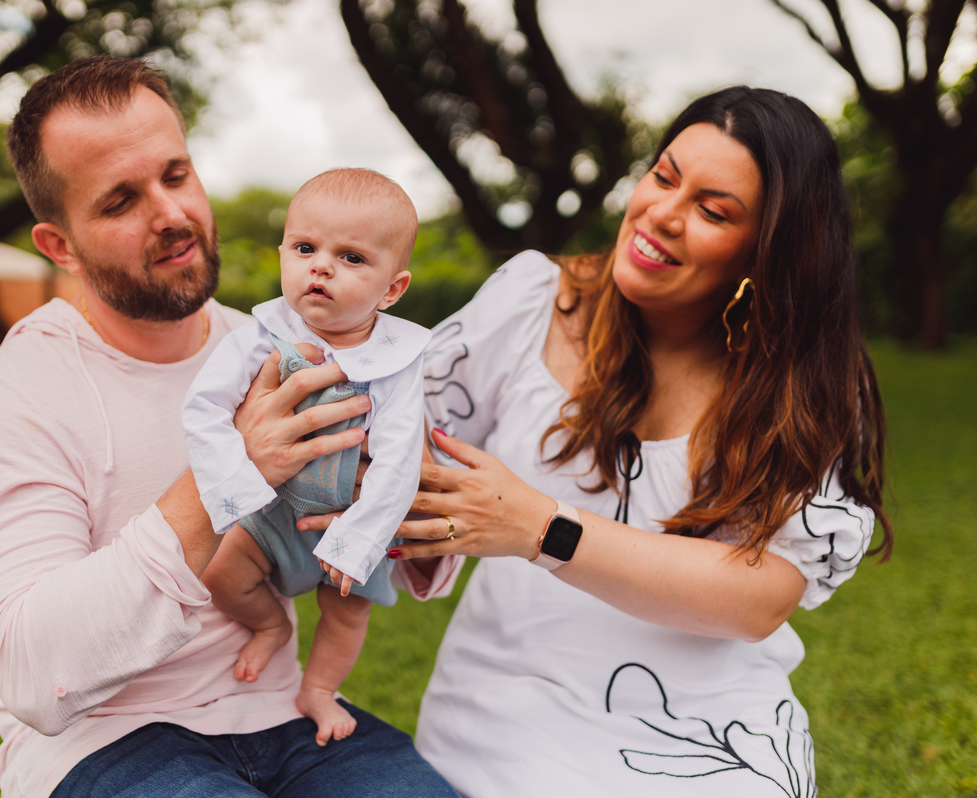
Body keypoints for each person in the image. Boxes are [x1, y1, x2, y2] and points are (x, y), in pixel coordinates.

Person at [0, 55, 461, 798]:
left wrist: (410, 511)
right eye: (121, 201)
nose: (172, 215)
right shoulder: (7, 398)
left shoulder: (282, 343)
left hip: (283, 710)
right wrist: (230, 469)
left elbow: (386, 535)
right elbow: (33, 673)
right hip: (103, 738)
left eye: (176, 175)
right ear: (60, 246)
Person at [375, 86, 892, 796]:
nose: (663, 215)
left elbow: (761, 596)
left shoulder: (803, 380)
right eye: (663, 177)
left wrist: (541, 528)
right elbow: (394, 441)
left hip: (717, 742)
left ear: (768, 251)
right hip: (503, 727)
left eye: (713, 211)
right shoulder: (534, 302)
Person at [183, 168, 429, 747]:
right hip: (273, 509)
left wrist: (361, 538)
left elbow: (399, 460)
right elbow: (204, 407)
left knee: (348, 613)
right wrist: (234, 490)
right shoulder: (263, 335)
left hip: (353, 517)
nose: (321, 267)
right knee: (222, 574)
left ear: (391, 289)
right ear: (282, 254)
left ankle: (318, 688)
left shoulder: (396, 361)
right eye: (305, 248)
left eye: (351, 257)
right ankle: (271, 626)